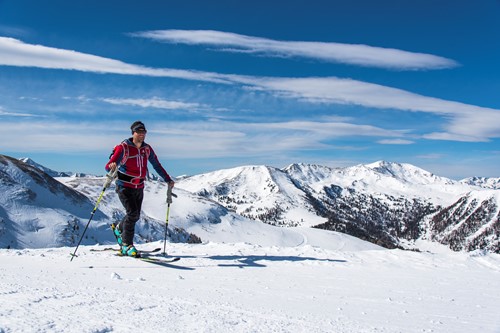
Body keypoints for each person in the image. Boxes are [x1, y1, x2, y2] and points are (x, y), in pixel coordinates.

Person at [105, 120, 175, 257]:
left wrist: (167, 179)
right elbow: (108, 166)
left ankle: (119, 228)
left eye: (144, 132)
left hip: (139, 186)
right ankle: (126, 245)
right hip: (124, 186)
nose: (142, 134)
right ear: (133, 133)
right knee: (133, 214)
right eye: (139, 132)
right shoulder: (123, 147)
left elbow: (156, 165)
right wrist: (112, 166)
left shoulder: (147, 149)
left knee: (135, 214)